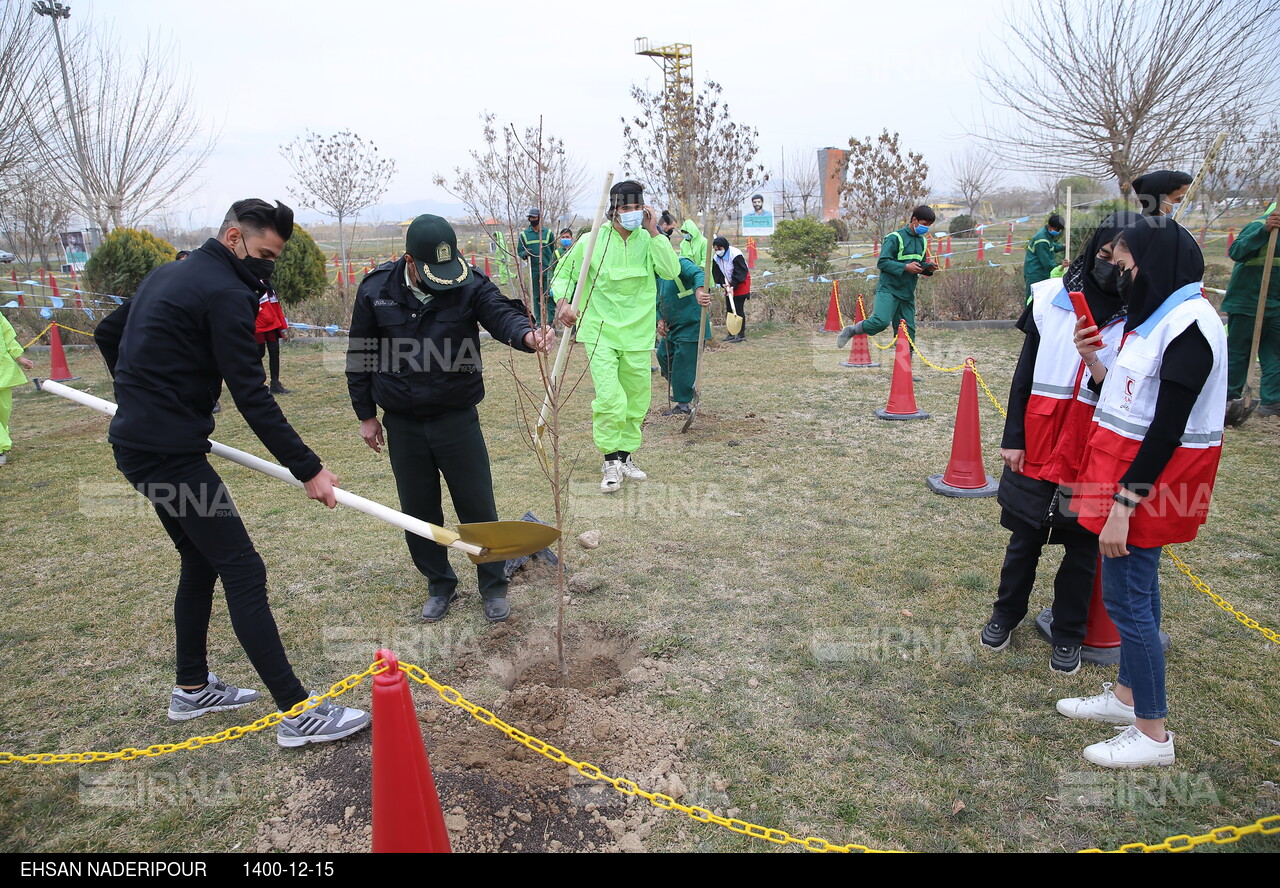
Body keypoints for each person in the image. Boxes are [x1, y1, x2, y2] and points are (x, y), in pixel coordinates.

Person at [94, 198, 369, 747]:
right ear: (232, 237)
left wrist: (146, 398)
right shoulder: (223, 292)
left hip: (140, 445)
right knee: (244, 569)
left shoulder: (169, 273)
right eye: (263, 253)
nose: (266, 266)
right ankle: (298, 714)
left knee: (201, 560)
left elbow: (107, 333)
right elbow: (251, 393)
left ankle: (191, 688)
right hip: (168, 458)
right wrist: (309, 469)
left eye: (275, 257)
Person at [1056, 215, 1226, 768]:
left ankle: (1152, 734)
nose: (1120, 274)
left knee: (1127, 603)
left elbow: (1167, 428)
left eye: (1126, 265)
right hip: (1124, 472)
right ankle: (1126, 699)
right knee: (1137, 594)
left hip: (1148, 484)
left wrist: (1125, 507)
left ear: (1153, 262)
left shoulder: (1190, 326)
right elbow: (1129, 398)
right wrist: (1092, 361)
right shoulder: (1158, 318)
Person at [347, 214, 554, 623]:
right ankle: (439, 584)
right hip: (403, 423)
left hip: (457, 418)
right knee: (418, 510)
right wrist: (366, 415)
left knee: (477, 506)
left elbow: (499, 313)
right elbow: (361, 355)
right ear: (410, 261)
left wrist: (528, 336)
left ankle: (493, 585)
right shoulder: (376, 289)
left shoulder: (469, 281)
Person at [981, 212, 1137, 673]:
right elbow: (1024, 373)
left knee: (1082, 550)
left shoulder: (1146, 315)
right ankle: (1005, 615)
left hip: (1095, 448)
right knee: (1023, 539)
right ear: (1091, 252)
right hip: (1040, 438)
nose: (1109, 267)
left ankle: (1069, 634)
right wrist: (1013, 436)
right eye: (1103, 255)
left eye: (1120, 259)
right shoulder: (1051, 298)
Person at [553, 180, 680, 494]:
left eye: (638, 208)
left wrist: (654, 233)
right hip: (600, 333)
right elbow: (562, 276)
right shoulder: (591, 241)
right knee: (611, 398)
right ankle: (610, 461)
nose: (633, 213)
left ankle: (625, 457)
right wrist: (564, 304)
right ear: (613, 211)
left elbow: (670, 270)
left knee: (636, 400)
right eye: (626, 208)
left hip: (637, 335)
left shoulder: (649, 240)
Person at [836, 206, 938, 352]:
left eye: (929, 225)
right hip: (888, 289)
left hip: (907, 292)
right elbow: (882, 262)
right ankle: (852, 330)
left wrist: (928, 268)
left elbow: (918, 264)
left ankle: (904, 373)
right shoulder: (895, 238)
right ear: (914, 220)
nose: (926, 227)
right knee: (881, 322)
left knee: (908, 332)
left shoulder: (922, 241)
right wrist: (905, 267)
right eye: (924, 223)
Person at [1222, 203, 1280, 421]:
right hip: (1248, 302)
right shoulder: (1258, 226)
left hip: (1276, 305)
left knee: (1274, 352)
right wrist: (1264, 231)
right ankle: (1229, 397)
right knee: (1238, 352)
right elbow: (1236, 251)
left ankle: (1273, 401)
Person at [656, 229, 713, 415]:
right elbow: (655, 299)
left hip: (691, 324)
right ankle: (683, 387)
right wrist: (659, 320)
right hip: (673, 325)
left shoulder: (681, 263)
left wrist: (699, 291)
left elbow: (698, 274)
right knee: (663, 356)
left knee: (682, 363)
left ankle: (682, 404)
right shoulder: (655, 271)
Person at [0, 310, 36, 466]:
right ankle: (1, 447)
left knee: (3, 412)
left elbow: (9, 339)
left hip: (3, 373)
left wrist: (20, 358)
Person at [516, 207, 559, 327]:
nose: (532, 219)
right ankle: (539, 322)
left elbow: (553, 250)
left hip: (547, 270)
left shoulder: (548, 233)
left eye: (534, 217)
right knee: (536, 297)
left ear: (539, 218)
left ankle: (551, 321)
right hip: (534, 271)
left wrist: (553, 266)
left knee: (549, 295)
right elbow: (520, 251)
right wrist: (525, 254)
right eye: (530, 218)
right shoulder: (524, 235)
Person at [711, 236, 751, 342]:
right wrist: (723, 283)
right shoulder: (716, 258)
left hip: (740, 281)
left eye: (719, 249)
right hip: (728, 283)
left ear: (725, 247)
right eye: (715, 249)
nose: (718, 251)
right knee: (729, 308)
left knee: (738, 308)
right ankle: (731, 334)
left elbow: (740, 271)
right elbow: (716, 273)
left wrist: (733, 285)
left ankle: (741, 335)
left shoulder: (735, 254)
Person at [1023, 213, 1067, 303]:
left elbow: (1051, 247)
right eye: (1057, 229)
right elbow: (1046, 262)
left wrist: (1062, 246)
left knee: (1041, 299)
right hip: (1035, 272)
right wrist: (1059, 269)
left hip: (1041, 272)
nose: (1058, 231)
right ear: (1050, 226)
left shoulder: (1047, 235)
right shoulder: (1042, 239)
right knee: (1032, 299)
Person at [255, 286, 291, 394]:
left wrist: (280, 321)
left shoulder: (266, 283)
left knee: (274, 351)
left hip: (271, 321)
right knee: (258, 353)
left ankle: (275, 383)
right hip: (257, 322)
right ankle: (257, 384)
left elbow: (274, 304)